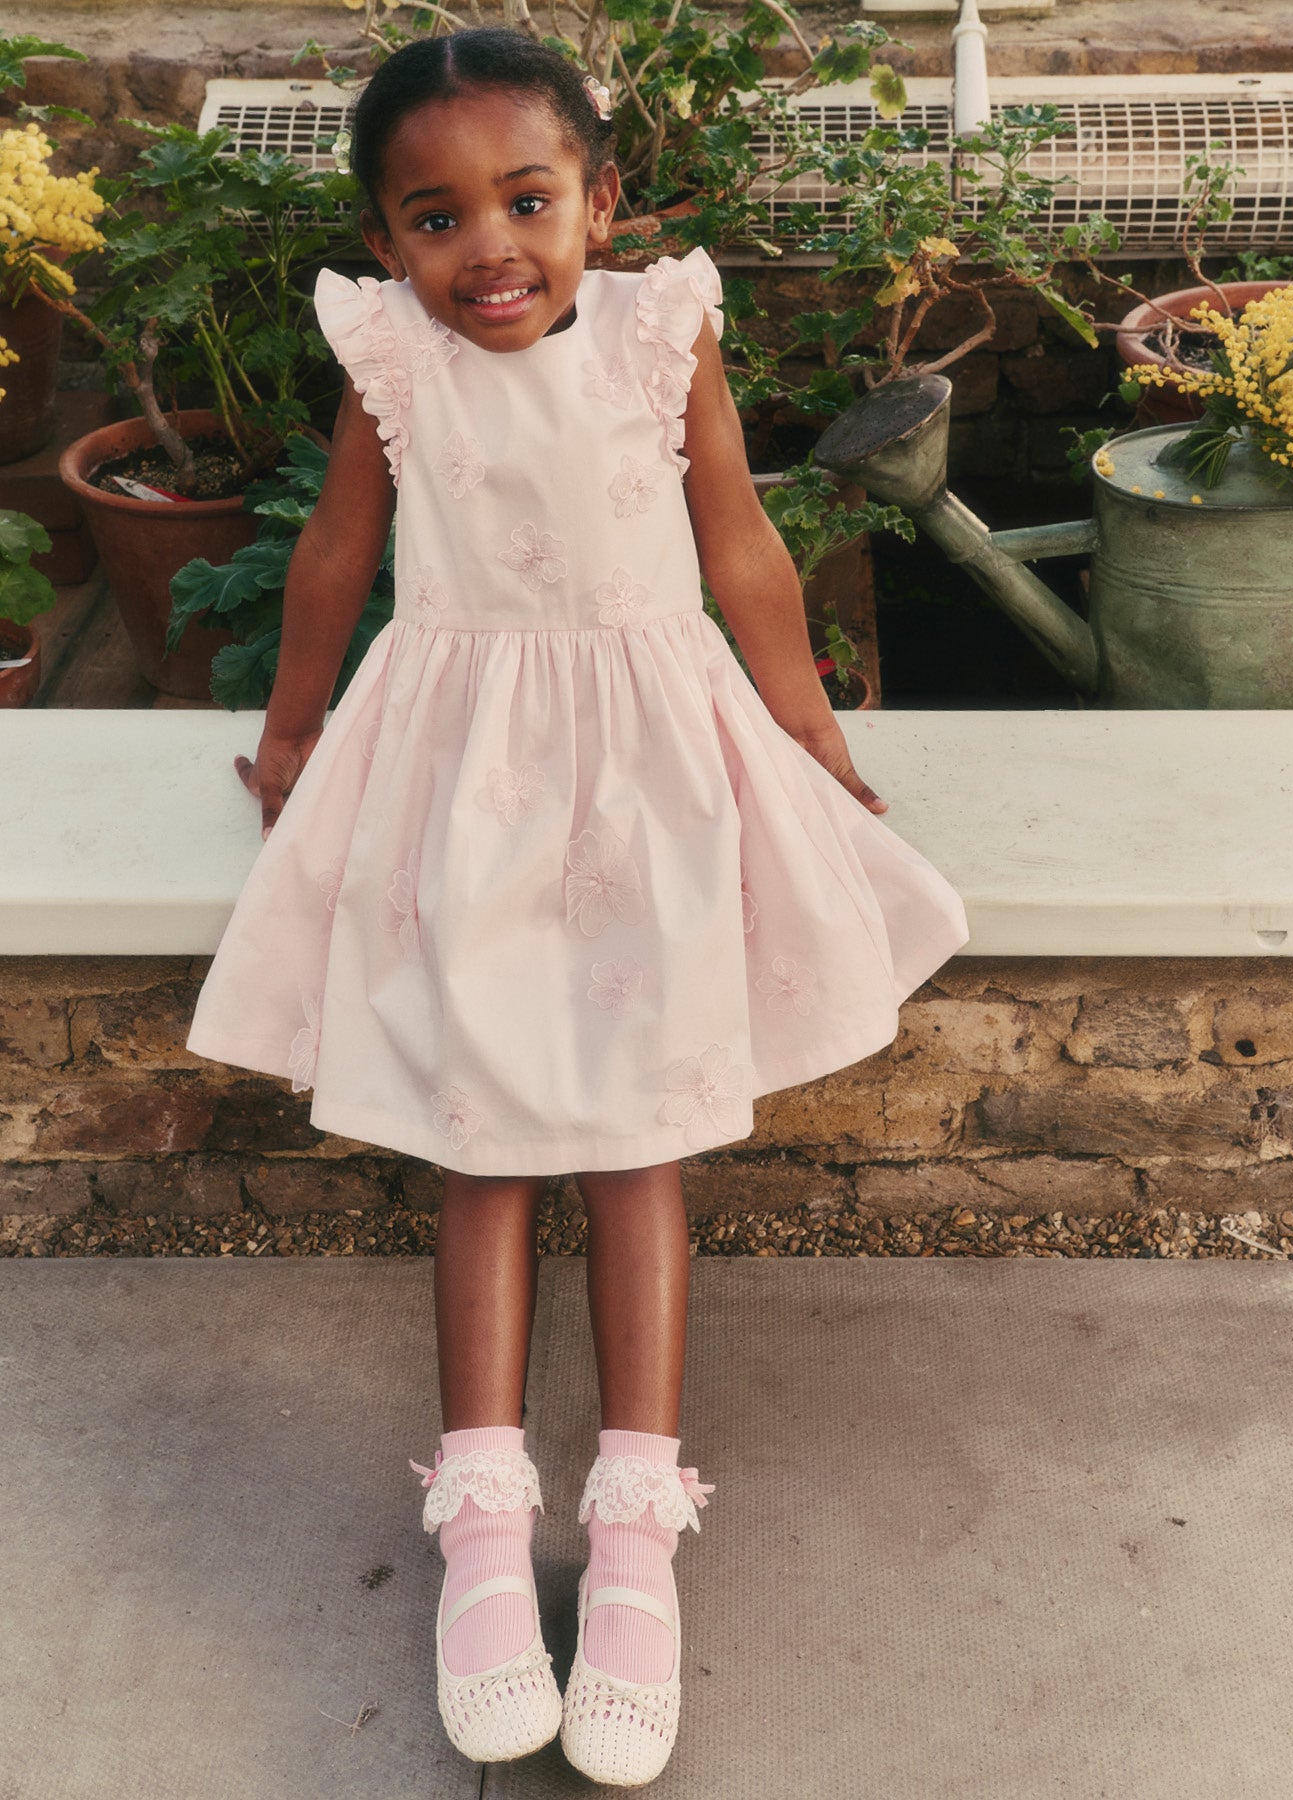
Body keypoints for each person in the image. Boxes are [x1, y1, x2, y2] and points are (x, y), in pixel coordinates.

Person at [186, 25, 969, 1788]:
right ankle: (478, 1518)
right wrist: (296, 723)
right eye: (436, 216)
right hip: (464, 769)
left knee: (640, 1134)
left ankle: (632, 1530)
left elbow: (739, 540)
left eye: (526, 200)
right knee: (482, 1137)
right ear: (386, 241)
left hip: (645, 771)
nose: (490, 250)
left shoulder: (655, 333)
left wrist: (813, 731)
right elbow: (337, 545)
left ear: (601, 203)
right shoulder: (391, 356)